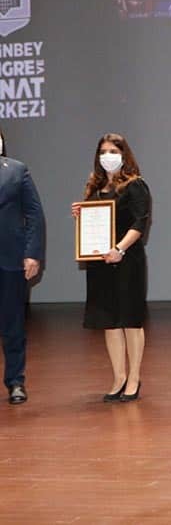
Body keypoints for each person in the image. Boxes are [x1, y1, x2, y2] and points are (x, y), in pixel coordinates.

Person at [73, 134, 151, 403]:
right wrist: (81, 214)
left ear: (124, 154)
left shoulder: (136, 185)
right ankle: (118, 377)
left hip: (127, 260)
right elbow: (94, 225)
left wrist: (120, 248)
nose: (107, 156)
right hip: (101, 265)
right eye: (103, 151)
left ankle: (134, 377)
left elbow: (140, 222)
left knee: (130, 319)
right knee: (109, 321)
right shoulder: (94, 188)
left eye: (113, 151)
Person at [0, 127, 44, 405]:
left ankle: (15, 381)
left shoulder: (16, 170)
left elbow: (34, 213)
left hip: (10, 259)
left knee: (13, 323)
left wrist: (32, 253)